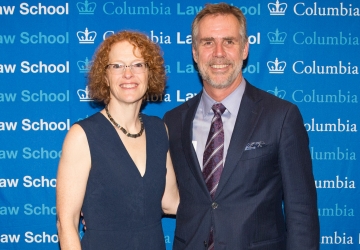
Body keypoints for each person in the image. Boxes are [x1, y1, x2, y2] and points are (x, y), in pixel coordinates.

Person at [163, 3, 319, 250]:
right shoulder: (173, 121)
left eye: (229, 41)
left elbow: (301, 211)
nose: (218, 52)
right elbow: (153, 188)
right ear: (194, 52)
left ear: (245, 48)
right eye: (207, 42)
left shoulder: (281, 116)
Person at [56, 31, 179, 250]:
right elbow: (67, 223)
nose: (128, 74)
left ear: (150, 74)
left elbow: (170, 202)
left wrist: (223, 204)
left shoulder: (159, 130)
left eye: (138, 64)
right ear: (104, 76)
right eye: (117, 66)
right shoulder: (82, 136)